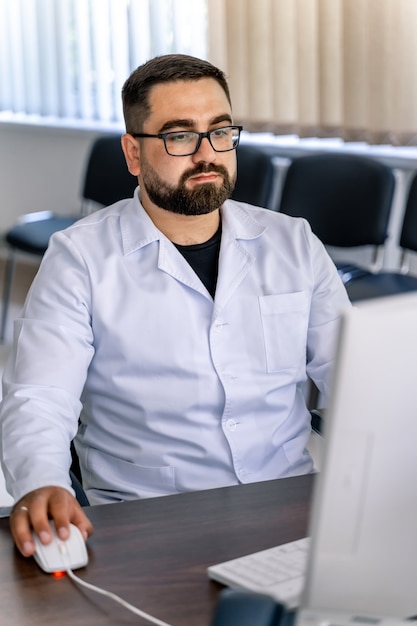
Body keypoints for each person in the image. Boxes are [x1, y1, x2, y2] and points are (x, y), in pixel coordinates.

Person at [0, 54, 350, 557]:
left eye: (221, 131)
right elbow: (40, 396)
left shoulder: (292, 243)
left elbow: (353, 380)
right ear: (133, 153)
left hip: (288, 507)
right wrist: (41, 483)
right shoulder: (81, 258)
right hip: (149, 519)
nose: (207, 154)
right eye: (180, 136)